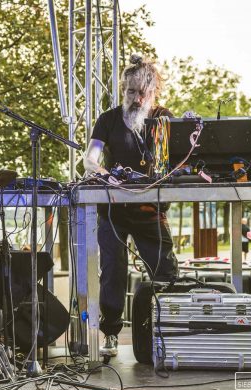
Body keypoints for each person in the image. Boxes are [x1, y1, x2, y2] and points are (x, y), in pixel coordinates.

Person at [83, 55, 179, 358]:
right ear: (122, 89)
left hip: (150, 210)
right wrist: (106, 176)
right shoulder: (108, 119)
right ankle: (110, 333)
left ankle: (169, 329)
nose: (136, 99)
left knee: (164, 268)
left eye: (143, 93)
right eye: (130, 92)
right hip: (113, 211)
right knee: (113, 269)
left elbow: (179, 158)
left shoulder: (164, 118)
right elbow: (90, 159)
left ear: (154, 92)